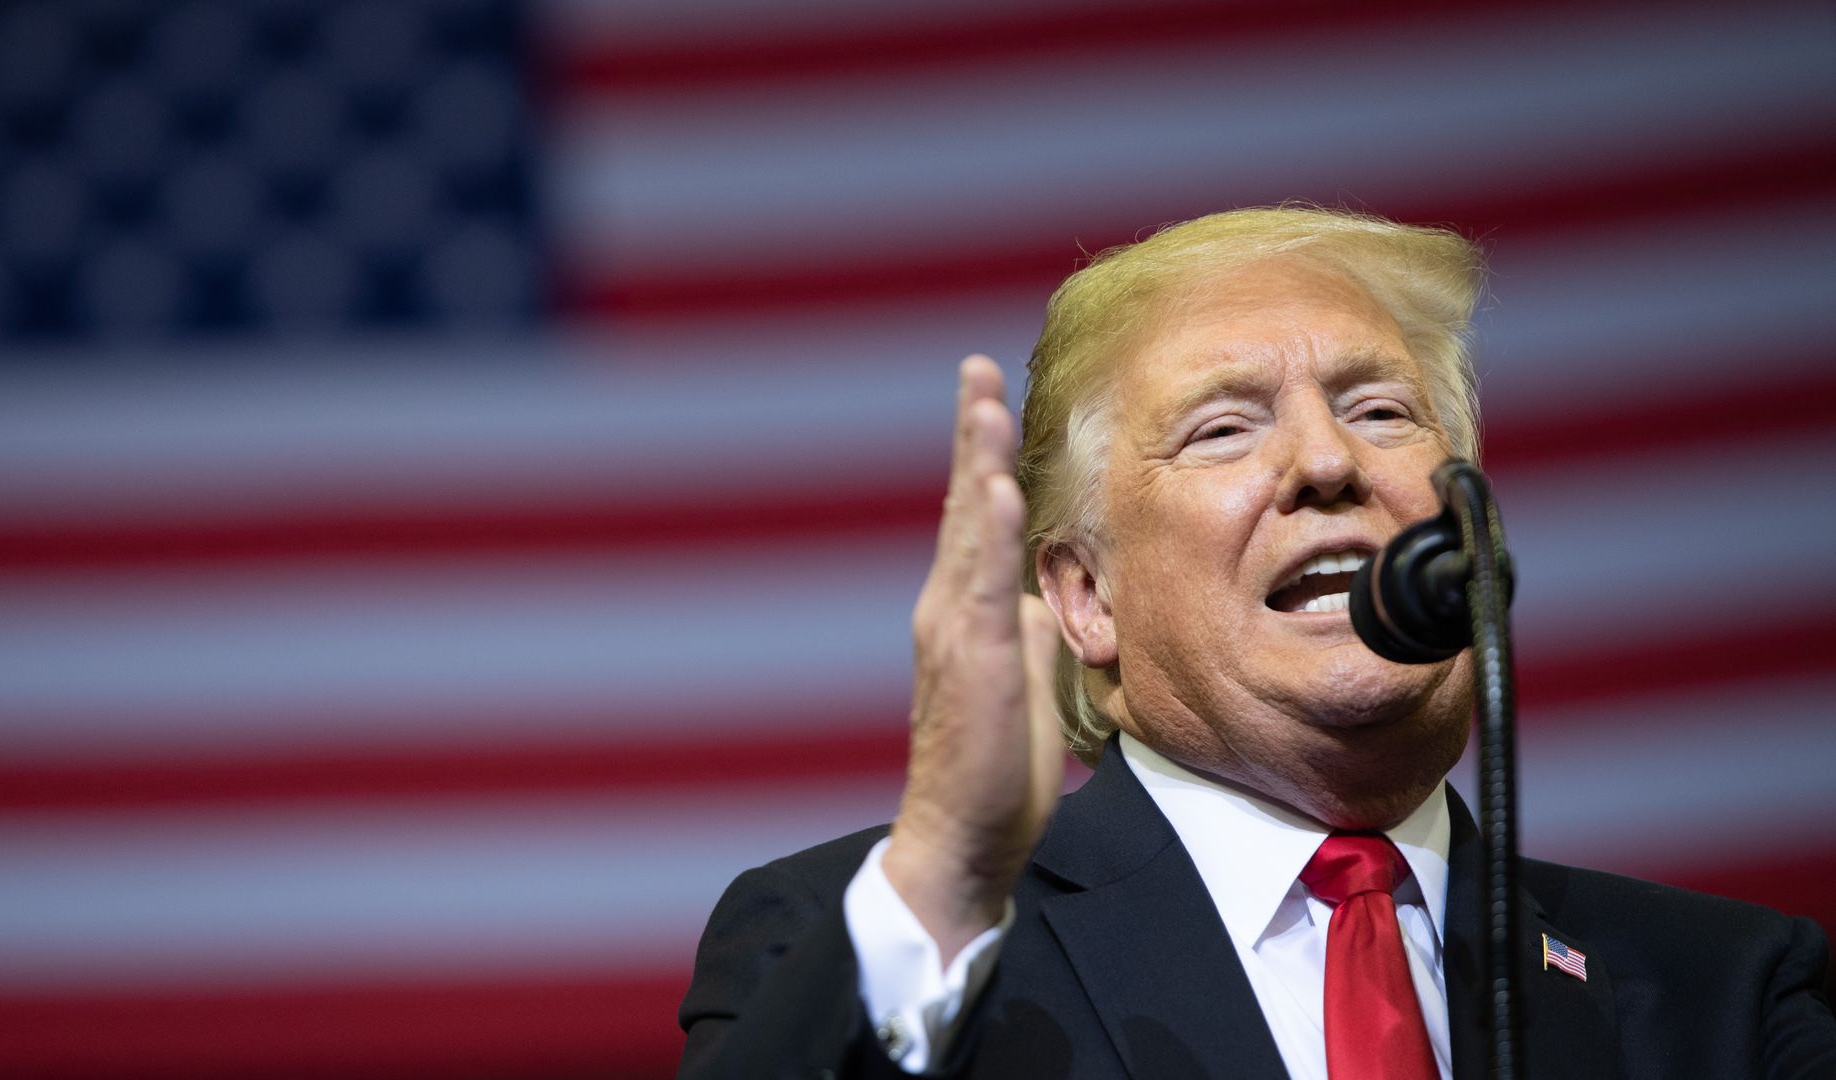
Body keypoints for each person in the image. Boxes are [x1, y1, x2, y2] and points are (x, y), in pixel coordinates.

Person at [675, 207, 1836, 1080]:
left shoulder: (1722, 993)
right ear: (1087, 598)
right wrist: (939, 872)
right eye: (1224, 428)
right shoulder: (883, 943)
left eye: (1381, 410)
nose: (1329, 464)